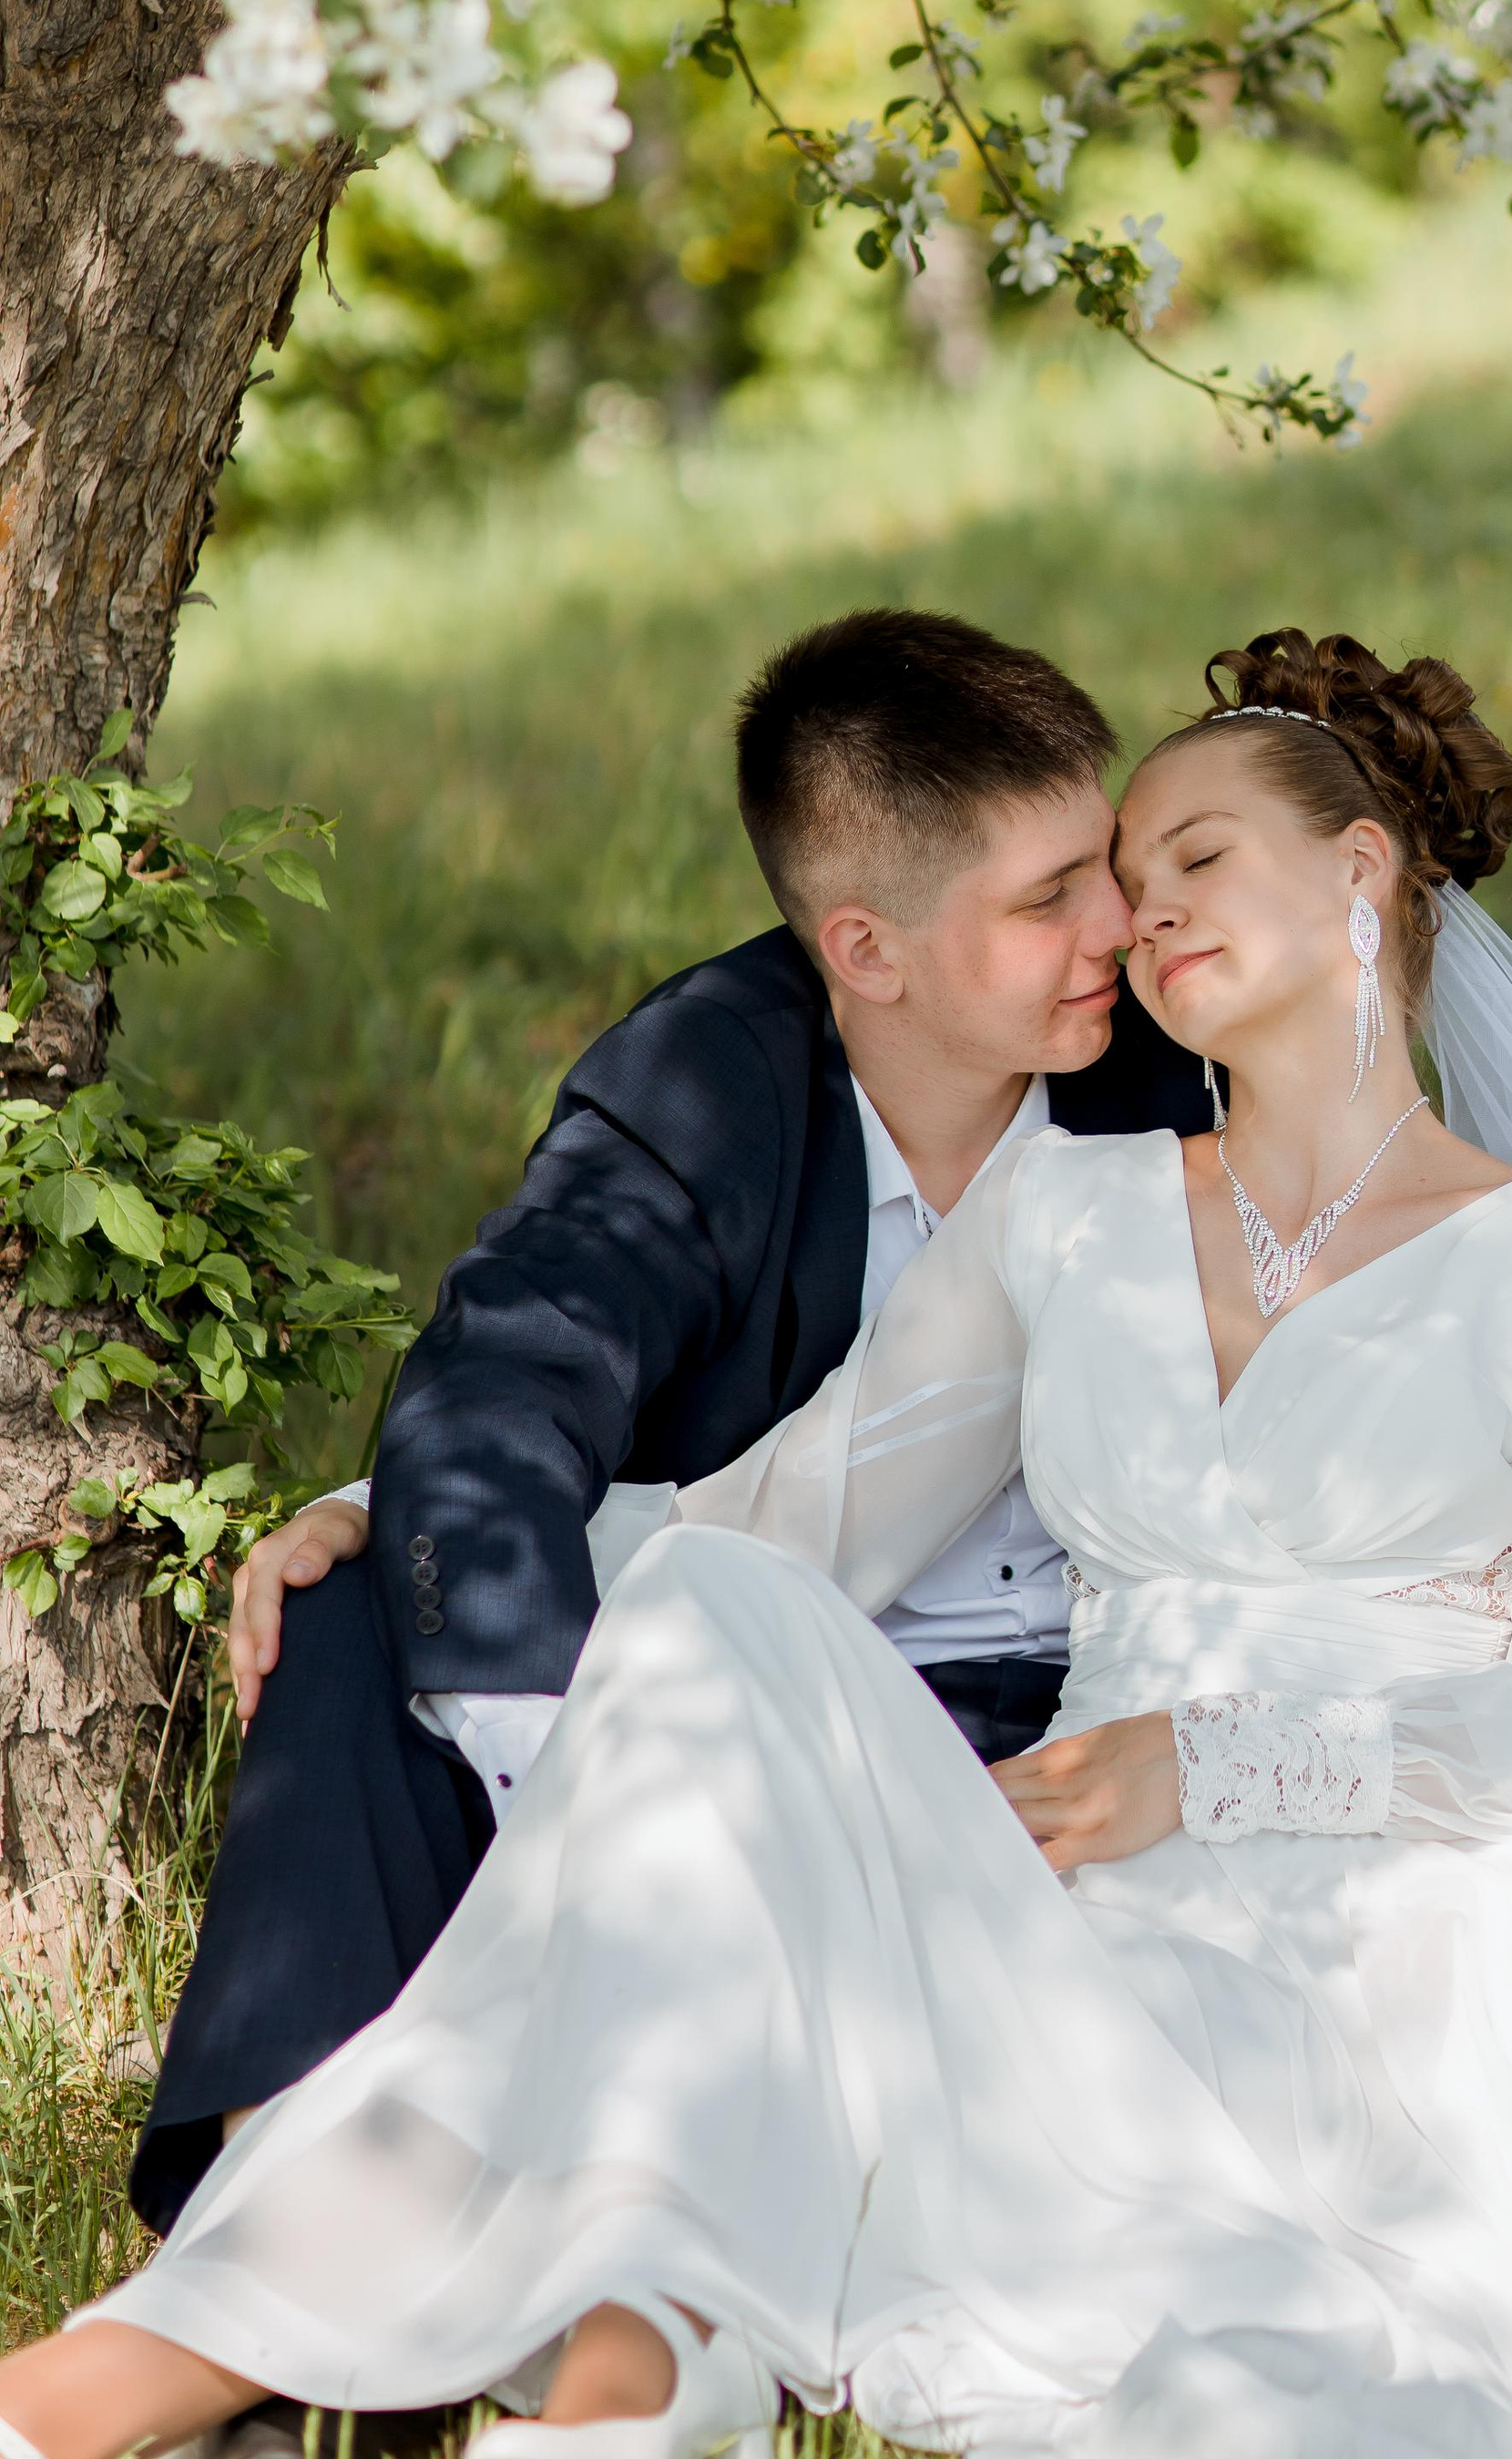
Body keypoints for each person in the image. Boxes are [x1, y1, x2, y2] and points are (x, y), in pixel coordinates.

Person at [0, 625, 1512, 2459]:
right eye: (1106, 884)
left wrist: (1228, 1763)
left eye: (1181, 868)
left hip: (1403, 1917)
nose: (1136, 925)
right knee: (718, 1599)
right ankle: (506, 2352)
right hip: (1075, 1864)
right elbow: (787, 1518)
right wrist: (407, 1511)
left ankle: (534, 2348)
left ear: (1359, 878)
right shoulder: (1073, 1207)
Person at [132, 607, 1212, 2234]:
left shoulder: (1180, 1064)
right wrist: (562, 1777)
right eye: (1050, 896)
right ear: (867, 947)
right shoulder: (705, 1081)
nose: (1122, 923)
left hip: (1071, 1706)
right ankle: (279, 2219)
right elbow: (505, 1372)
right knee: (355, 1613)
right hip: (773, 1666)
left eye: (1105, 861)